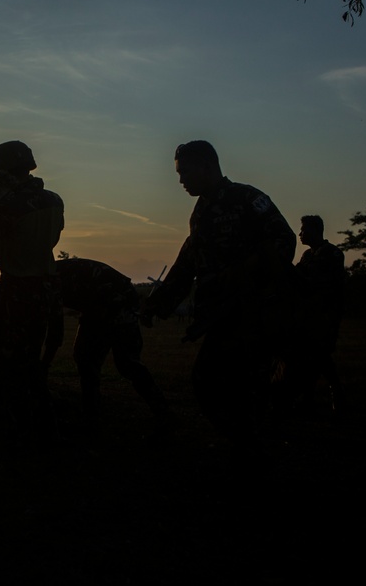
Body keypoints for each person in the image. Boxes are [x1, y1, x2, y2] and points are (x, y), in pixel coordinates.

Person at [142, 140, 296, 448]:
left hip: (255, 314)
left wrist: (247, 271)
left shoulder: (247, 198)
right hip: (222, 316)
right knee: (211, 384)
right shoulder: (201, 213)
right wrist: (156, 303)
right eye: (178, 173)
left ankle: (252, 450)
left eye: (185, 172)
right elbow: (188, 261)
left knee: (236, 386)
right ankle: (248, 445)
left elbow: (284, 240)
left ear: (208, 166)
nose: (181, 180)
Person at [0, 140, 64, 439]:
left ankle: (19, 431)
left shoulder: (9, 206)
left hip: (17, 289)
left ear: (2, 171)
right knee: (33, 361)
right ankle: (45, 426)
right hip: (45, 288)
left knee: (11, 365)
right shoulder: (54, 200)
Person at [56, 257, 171, 431]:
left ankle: (91, 416)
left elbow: (55, 329)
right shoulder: (52, 273)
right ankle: (92, 414)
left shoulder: (48, 281)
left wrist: (44, 363)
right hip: (110, 300)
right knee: (102, 361)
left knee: (114, 362)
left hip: (114, 301)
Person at [279, 215, 346, 416]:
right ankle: (308, 400)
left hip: (324, 314)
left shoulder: (331, 254)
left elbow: (319, 285)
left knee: (320, 356)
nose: (300, 234)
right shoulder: (308, 255)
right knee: (310, 357)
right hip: (307, 314)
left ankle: (334, 393)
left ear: (315, 231)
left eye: (303, 230)